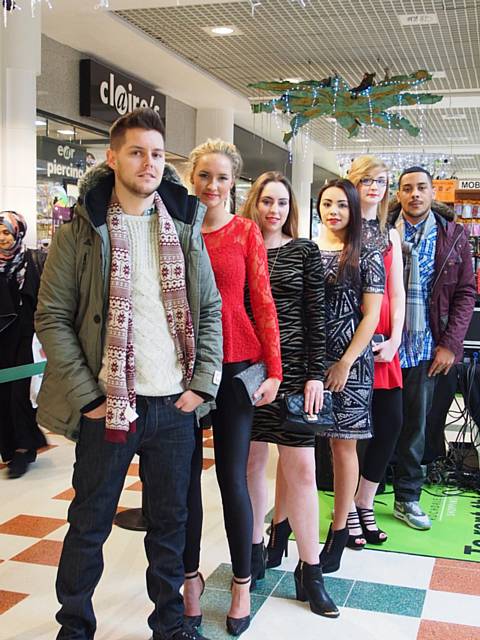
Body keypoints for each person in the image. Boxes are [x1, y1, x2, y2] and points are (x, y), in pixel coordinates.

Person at [35, 108, 223, 640]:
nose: (149, 163)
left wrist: (201, 385)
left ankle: (170, 626)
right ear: (113, 157)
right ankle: (74, 627)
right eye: (137, 152)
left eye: (158, 154)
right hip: (109, 405)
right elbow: (51, 316)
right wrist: (88, 396)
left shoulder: (184, 225)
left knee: (170, 528)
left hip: (174, 407)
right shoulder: (81, 228)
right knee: (89, 524)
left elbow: (208, 309)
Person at [183, 140, 282, 637]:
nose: (212, 186)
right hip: (181, 370)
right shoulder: (175, 227)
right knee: (181, 483)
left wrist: (274, 369)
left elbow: (262, 303)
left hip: (237, 361)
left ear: (233, 183)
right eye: (204, 176)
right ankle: (189, 579)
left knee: (232, 479)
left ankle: (242, 583)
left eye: (222, 178)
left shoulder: (244, 231)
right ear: (191, 176)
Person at [243, 172, 338, 618]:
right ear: (254, 203)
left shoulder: (305, 251)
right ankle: (255, 549)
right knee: (252, 464)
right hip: (247, 372)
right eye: (266, 201)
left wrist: (315, 374)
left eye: (282, 202)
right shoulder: (241, 245)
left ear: (291, 208)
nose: (274, 210)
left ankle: (310, 569)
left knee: (301, 469)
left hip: (297, 374)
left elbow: (316, 315)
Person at [389, 166, 476, 529]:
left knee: (415, 427)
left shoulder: (453, 235)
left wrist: (450, 345)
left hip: (426, 347)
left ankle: (408, 496)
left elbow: (465, 293)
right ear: (398, 194)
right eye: (407, 188)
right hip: (383, 347)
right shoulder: (380, 233)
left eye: (421, 188)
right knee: (377, 425)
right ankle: (364, 495)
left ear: (432, 192)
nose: (414, 195)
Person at [316, 179, 384, 573]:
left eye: (342, 204)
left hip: (351, 365)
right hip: (310, 363)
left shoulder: (366, 253)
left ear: (354, 209)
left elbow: (371, 316)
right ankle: (283, 527)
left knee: (343, 449)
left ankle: (339, 533)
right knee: (301, 448)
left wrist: (343, 362)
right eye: (327, 203)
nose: (334, 211)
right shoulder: (309, 250)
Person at [346, 156, 405, 545]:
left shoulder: (390, 235)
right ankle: (347, 512)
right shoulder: (340, 229)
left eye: (381, 181)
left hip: (384, 343)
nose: (374, 187)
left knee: (391, 423)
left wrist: (397, 338)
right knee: (345, 433)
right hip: (348, 341)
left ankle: (365, 500)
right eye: (367, 180)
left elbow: (397, 293)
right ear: (353, 183)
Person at [0, 211, 47, 478]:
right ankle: (10, 448)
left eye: (7, 232)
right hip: (2, 340)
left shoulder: (34, 262)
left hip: (28, 337)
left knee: (22, 392)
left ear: (18, 232)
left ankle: (24, 449)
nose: (2, 238)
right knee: (3, 394)